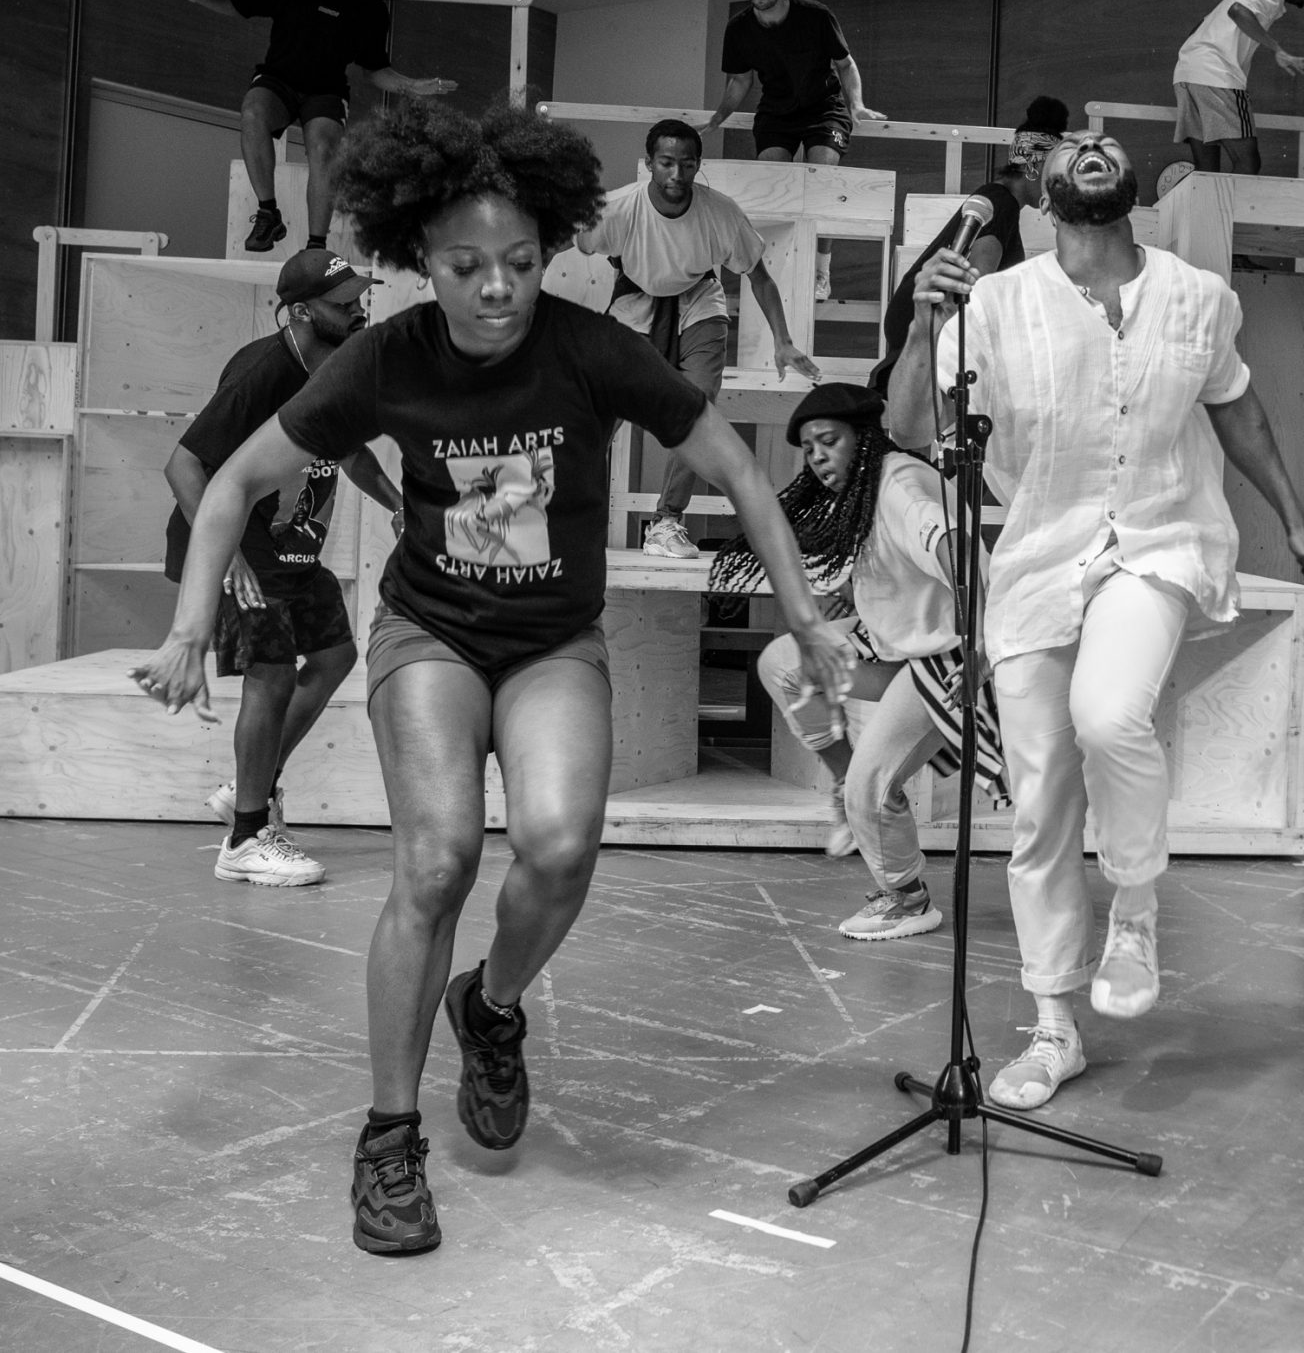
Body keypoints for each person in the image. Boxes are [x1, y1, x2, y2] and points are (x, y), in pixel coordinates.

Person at [130, 101, 849, 1258]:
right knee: (439, 860)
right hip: (433, 635)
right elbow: (229, 481)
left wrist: (807, 616)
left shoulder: (588, 348)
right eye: (468, 266)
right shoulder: (383, 357)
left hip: (553, 641)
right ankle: (389, 1139)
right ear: (424, 261)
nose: (499, 288)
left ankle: (493, 1006)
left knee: (562, 848)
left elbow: (734, 469)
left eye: (520, 262)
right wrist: (185, 625)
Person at [888, 134, 1304, 1112]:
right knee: (1040, 796)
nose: (1092, 146)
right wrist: (925, 324)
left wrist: (1295, 516)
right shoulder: (996, 303)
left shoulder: (1197, 297)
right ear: (1041, 200)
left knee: (1107, 715)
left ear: (1127, 187)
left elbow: (1237, 411)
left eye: (1106, 143)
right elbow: (916, 428)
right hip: (1040, 564)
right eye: (1070, 148)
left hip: (1163, 540)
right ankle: (1054, 1028)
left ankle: (1133, 911)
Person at [712, 382, 1007, 938]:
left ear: (864, 439)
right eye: (807, 448)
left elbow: (959, 551)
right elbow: (898, 559)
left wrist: (979, 644)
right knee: (786, 663)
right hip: (898, 646)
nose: (817, 457)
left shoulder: (897, 485)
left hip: (949, 658)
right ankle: (849, 786)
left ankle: (906, 897)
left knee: (871, 789)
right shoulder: (868, 487)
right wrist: (860, 584)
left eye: (828, 441)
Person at [162, 247, 400, 887]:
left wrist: (399, 506)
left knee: (334, 657)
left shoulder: (335, 366)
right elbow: (183, 465)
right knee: (270, 672)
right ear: (298, 312)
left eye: (359, 299)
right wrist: (229, 552)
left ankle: (250, 787)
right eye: (342, 304)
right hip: (240, 546)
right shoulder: (262, 372)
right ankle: (244, 837)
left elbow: (351, 454)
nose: (358, 310)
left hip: (291, 542)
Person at [575, 117, 823, 559]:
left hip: (698, 300)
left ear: (697, 165)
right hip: (636, 300)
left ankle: (666, 522)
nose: (676, 175)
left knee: (699, 406)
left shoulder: (719, 212)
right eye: (666, 163)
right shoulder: (617, 209)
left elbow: (761, 278)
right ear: (649, 163)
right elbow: (566, 243)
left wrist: (783, 340)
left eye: (687, 165)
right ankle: (569, 516)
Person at [157, 0, 458, 253]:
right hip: (278, 80)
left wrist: (412, 85)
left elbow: (375, 70)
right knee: (252, 111)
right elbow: (241, 4)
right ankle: (268, 214)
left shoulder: (370, 9)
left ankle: (316, 247)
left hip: (326, 92)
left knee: (324, 149)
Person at [706, 0, 888, 301]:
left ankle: (822, 271)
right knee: (773, 184)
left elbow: (845, 64)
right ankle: (774, 272)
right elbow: (741, 79)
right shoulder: (739, 29)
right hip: (777, 110)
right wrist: (719, 116)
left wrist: (857, 105)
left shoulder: (815, 16)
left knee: (819, 183)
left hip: (824, 107)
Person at [869, 95, 1069, 390]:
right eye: (1053, 174)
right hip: (928, 334)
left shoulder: (995, 198)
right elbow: (977, 286)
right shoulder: (1000, 204)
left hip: (917, 330)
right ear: (1033, 168)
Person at [1171, 0, 1304, 176]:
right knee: (1248, 161)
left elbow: (1199, 27)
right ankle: (1234, 212)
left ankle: (1209, 212)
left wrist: (1196, 59)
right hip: (1216, 76)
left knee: (1206, 169)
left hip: (1186, 75)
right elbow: (1238, 11)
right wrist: (1277, 49)